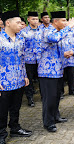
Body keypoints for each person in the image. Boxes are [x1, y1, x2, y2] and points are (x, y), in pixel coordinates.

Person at [39, 11, 74, 132]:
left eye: (66, 21)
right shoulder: (47, 31)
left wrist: (65, 54)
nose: (65, 23)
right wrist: (69, 27)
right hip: (47, 71)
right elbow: (54, 39)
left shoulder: (58, 32)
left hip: (58, 70)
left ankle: (55, 116)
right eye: (63, 21)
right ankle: (48, 122)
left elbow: (54, 49)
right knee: (49, 98)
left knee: (56, 96)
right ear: (55, 21)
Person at [0, 10, 32, 144]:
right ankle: (1, 133)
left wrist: (25, 75)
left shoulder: (20, 39)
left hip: (19, 80)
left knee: (16, 107)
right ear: (8, 23)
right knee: (2, 110)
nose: (21, 25)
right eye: (18, 22)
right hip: (4, 82)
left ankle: (15, 127)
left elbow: (22, 58)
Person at [20, 12, 40, 107]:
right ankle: (30, 98)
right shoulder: (23, 32)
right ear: (28, 19)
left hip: (40, 60)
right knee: (29, 80)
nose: (35, 21)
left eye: (36, 19)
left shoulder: (42, 31)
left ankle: (43, 96)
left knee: (41, 79)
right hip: (28, 60)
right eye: (33, 19)